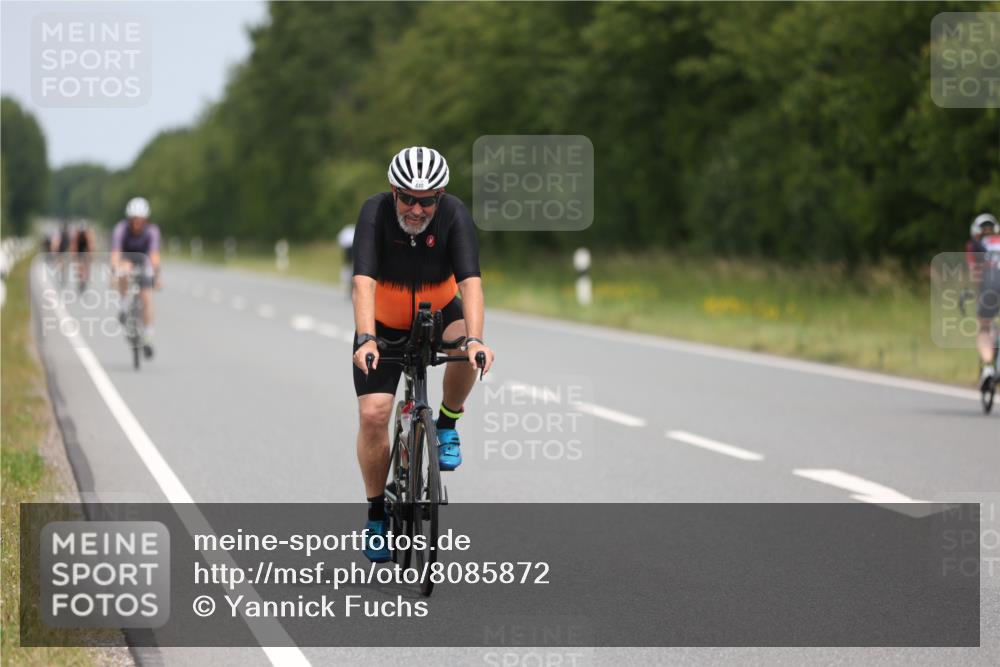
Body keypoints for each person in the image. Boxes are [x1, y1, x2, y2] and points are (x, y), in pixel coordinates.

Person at [351, 146, 495, 562]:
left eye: (427, 200)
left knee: (465, 342)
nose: (416, 209)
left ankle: (447, 423)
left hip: (439, 310)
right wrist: (365, 338)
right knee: (374, 414)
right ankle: (377, 512)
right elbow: (363, 282)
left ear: (441, 196)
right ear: (393, 191)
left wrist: (477, 340)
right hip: (383, 324)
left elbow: (470, 284)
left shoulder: (454, 214)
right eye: (407, 198)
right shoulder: (374, 213)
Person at [110, 197, 161, 359]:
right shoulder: (121, 229)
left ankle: (147, 337)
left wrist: (156, 276)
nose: (137, 223)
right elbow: (115, 253)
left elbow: (154, 256)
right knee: (124, 270)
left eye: (140, 220)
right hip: (126, 259)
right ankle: (124, 307)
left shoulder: (152, 231)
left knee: (147, 297)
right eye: (134, 220)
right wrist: (114, 271)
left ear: (146, 219)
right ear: (129, 219)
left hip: (143, 260)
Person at [968, 213, 1000, 390]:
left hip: (991, 287)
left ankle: (987, 367)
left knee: (985, 327)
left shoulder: (975, 246)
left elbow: (976, 274)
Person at [71, 221, 96, 292]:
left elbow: (90, 245)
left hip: (85, 249)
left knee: (86, 263)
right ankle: (80, 276)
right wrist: (74, 255)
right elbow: (74, 245)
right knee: (79, 264)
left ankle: (86, 276)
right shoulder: (77, 234)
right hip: (79, 249)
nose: (82, 233)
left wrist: (90, 255)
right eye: (81, 232)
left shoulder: (88, 234)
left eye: (83, 232)